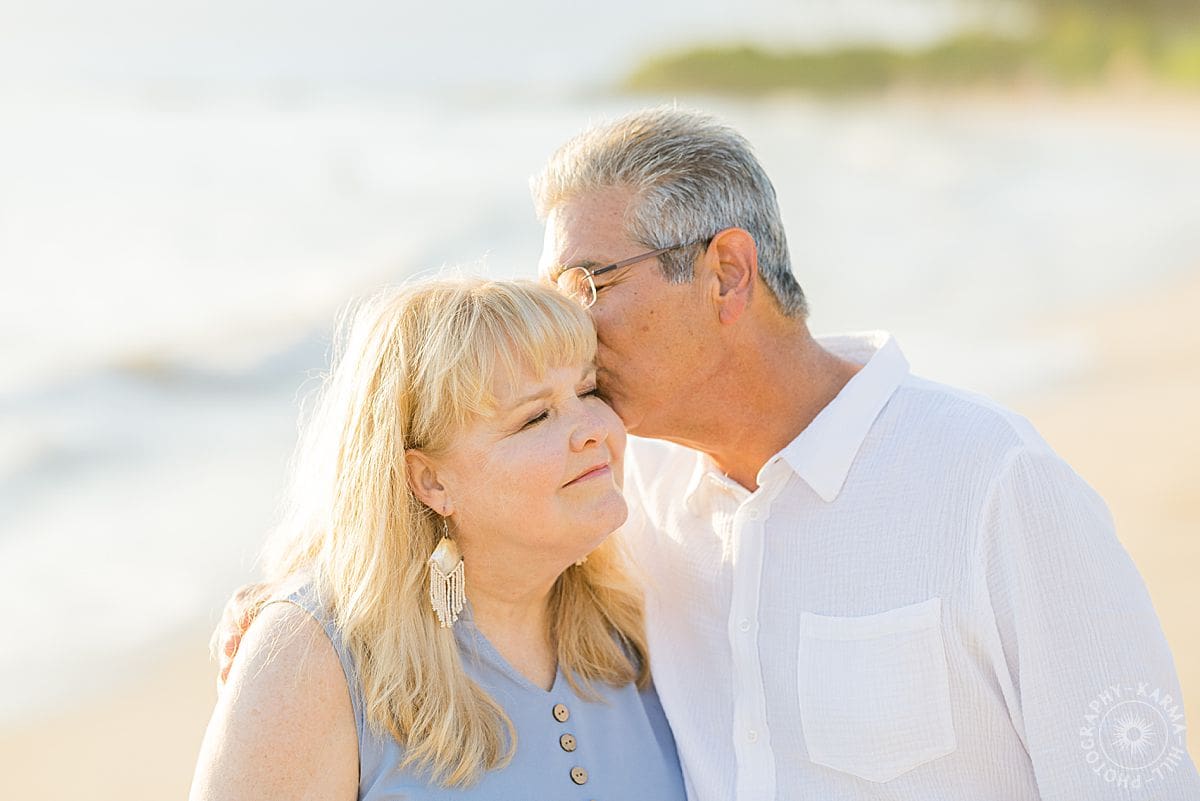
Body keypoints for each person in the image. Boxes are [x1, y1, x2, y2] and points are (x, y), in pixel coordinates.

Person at [220, 108, 1200, 800]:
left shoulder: (993, 486)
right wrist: (292, 627)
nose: (568, 320)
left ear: (726, 271)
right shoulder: (627, 497)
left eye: (587, 280)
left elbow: (1136, 780)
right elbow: (456, 514)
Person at [190, 277, 686, 800]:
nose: (593, 428)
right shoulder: (314, 657)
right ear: (431, 481)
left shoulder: (643, 615)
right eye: (535, 416)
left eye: (588, 390)